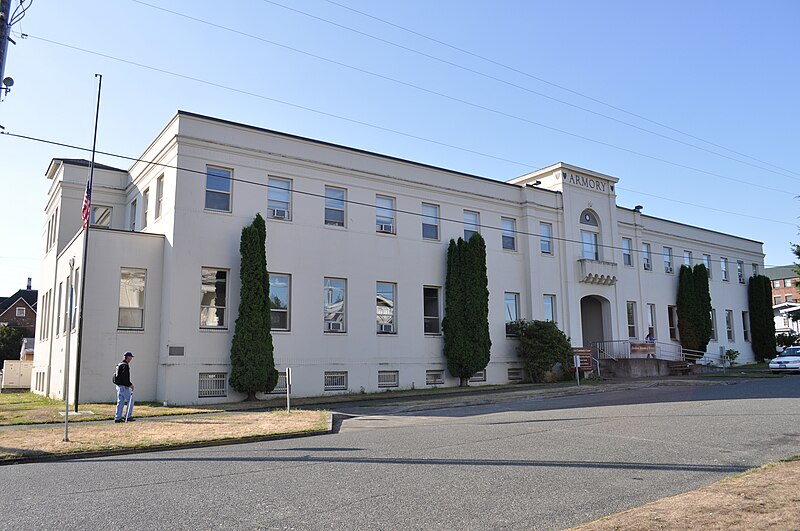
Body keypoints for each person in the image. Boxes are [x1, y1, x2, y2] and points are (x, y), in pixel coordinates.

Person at [113, 351, 135, 423]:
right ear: (127, 357)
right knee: (130, 400)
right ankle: (128, 416)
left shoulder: (119, 365)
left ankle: (118, 417)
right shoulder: (125, 366)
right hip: (123, 386)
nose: (131, 359)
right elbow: (125, 378)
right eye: (130, 357)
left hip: (118, 386)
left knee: (120, 402)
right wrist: (130, 385)